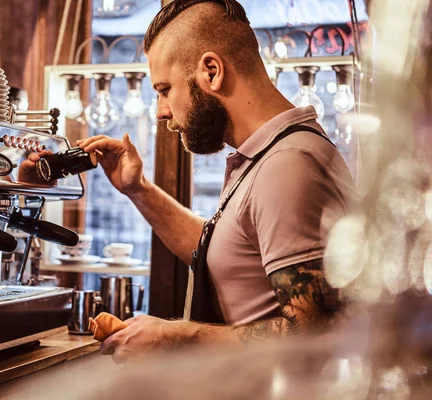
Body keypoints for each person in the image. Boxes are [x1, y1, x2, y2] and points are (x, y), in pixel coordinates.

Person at [29, 0, 355, 363]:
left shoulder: (289, 164)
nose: (161, 111)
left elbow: (316, 335)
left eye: (164, 89)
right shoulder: (267, 156)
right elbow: (224, 252)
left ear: (212, 71)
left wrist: (177, 336)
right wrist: (138, 190)